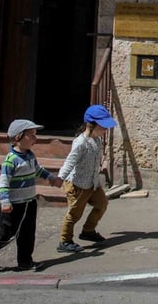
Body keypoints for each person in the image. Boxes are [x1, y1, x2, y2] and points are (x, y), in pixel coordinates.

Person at [0, 119, 64, 272]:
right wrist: (5, 201)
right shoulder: (10, 160)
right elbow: (3, 182)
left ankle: (25, 261)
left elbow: (38, 170)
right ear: (18, 137)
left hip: (29, 202)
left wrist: (51, 178)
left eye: (35, 135)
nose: (35, 139)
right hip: (14, 204)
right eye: (31, 135)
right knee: (6, 233)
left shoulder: (30, 155)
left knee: (27, 233)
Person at [57, 104, 117, 253]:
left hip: (92, 183)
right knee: (74, 213)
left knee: (102, 204)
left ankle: (88, 231)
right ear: (91, 124)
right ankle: (65, 241)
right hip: (77, 184)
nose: (105, 129)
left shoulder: (96, 140)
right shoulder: (80, 143)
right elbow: (70, 161)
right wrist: (60, 178)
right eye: (103, 126)